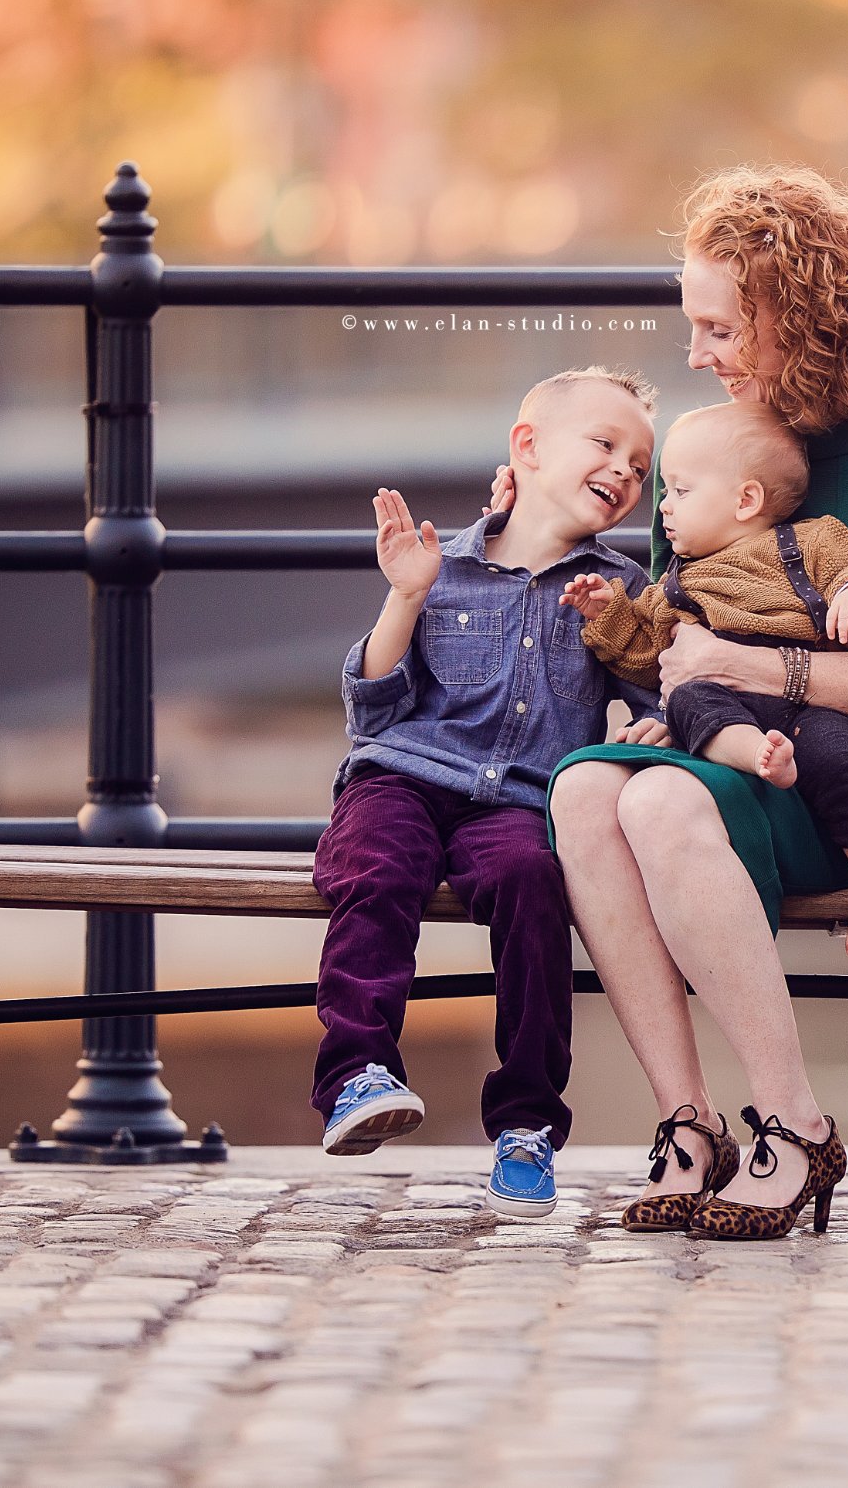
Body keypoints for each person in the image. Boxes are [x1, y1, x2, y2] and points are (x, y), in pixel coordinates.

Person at [542, 166, 848, 1240]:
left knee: (652, 805)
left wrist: (741, 671)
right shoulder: (708, 448)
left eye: (720, 326)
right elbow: (662, 636)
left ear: (802, 312)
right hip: (718, 751)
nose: (697, 354)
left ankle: (795, 1124)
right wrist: (645, 688)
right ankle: (689, 1124)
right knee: (586, 789)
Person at [310, 367, 661, 1220]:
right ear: (528, 448)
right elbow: (374, 709)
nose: (625, 471)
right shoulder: (443, 568)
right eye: (605, 445)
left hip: (521, 801)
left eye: (642, 466)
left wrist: (654, 731)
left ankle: (528, 1124)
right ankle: (357, 1070)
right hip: (406, 773)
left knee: (533, 886)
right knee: (378, 866)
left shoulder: (621, 590)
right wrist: (406, 596)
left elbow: (658, 697)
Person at [562, 399, 848, 961]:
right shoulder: (676, 582)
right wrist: (610, 616)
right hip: (729, 710)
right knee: (690, 699)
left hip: (811, 700)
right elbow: (650, 658)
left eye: (681, 491)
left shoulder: (812, 541)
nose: (664, 507)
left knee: (844, 759)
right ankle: (756, 754)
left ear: (746, 500)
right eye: (665, 490)